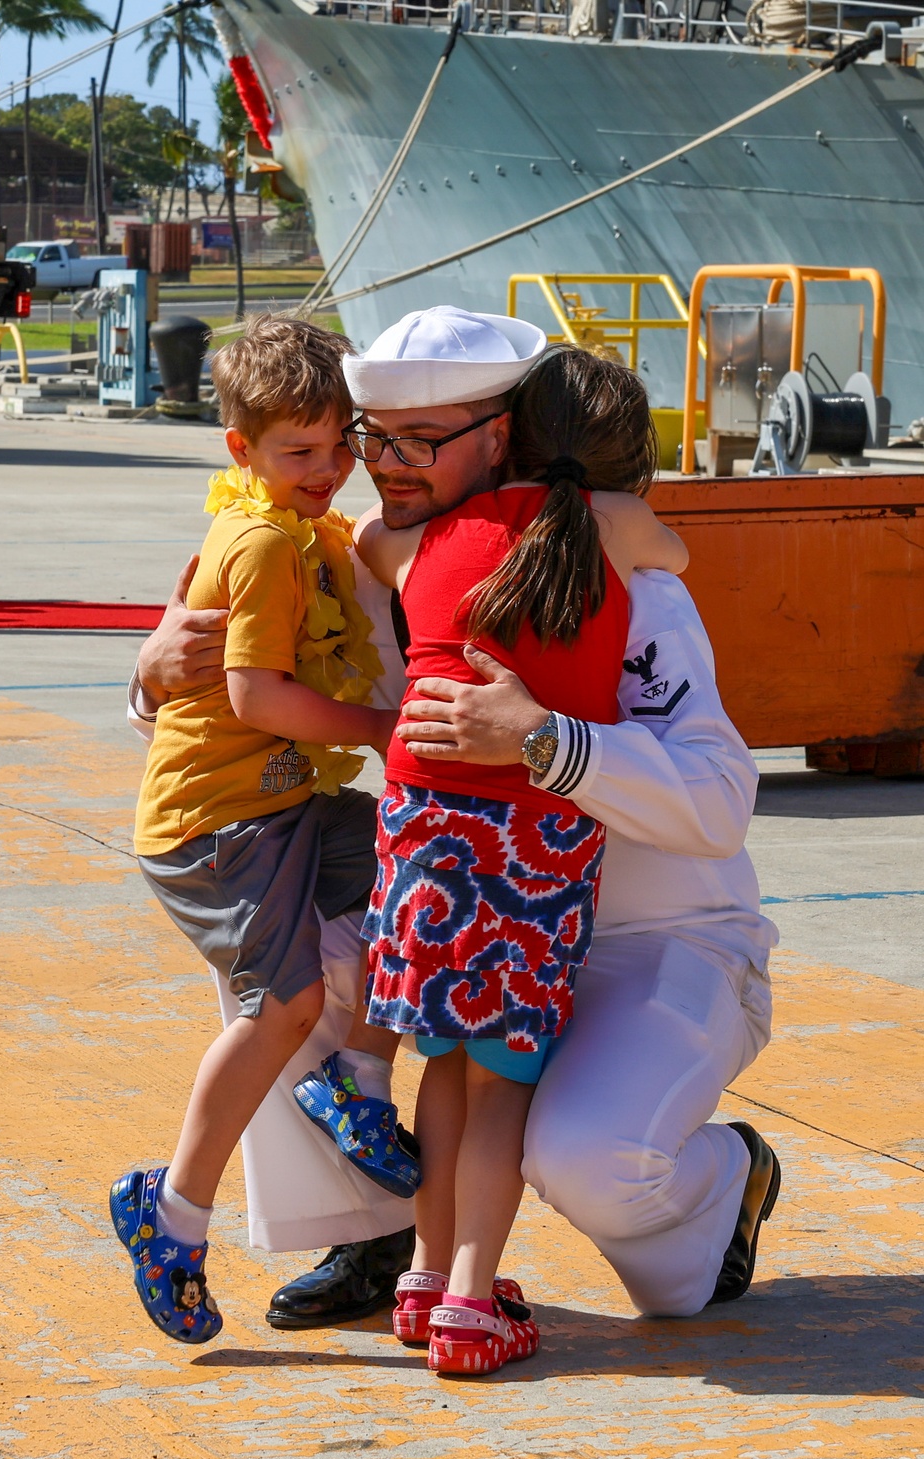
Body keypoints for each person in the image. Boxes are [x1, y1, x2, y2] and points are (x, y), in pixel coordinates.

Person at [128, 305, 779, 1330]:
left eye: (416, 443)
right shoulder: (369, 559)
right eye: (367, 438)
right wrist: (154, 675)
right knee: (285, 956)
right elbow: (244, 690)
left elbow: (718, 805)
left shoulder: (629, 585)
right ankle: (378, 1230)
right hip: (488, 913)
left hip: (658, 948)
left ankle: (728, 1175)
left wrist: (545, 740)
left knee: (594, 1172)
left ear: (501, 438)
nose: (380, 464)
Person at [349, 343, 687, 1376]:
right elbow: (675, 556)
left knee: (442, 1071)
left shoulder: (427, 535)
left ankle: (420, 1279)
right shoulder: (614, 526)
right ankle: (467, 1301)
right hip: (530, 841)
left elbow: (367, 541)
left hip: (418, 826)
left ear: (508, 439)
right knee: (502, 1092)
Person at [111, 316, 402, 1345]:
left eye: (342, 447)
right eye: (300, 453)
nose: (329, 471)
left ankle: (354, 1096)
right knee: (280, 1009)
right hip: (222, 824)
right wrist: (379, 728)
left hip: (283, 804)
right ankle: (174, 1212)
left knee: (411, 881)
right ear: (242, 452)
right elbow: (251, 694)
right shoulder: (268, 537)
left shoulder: (310, 533)